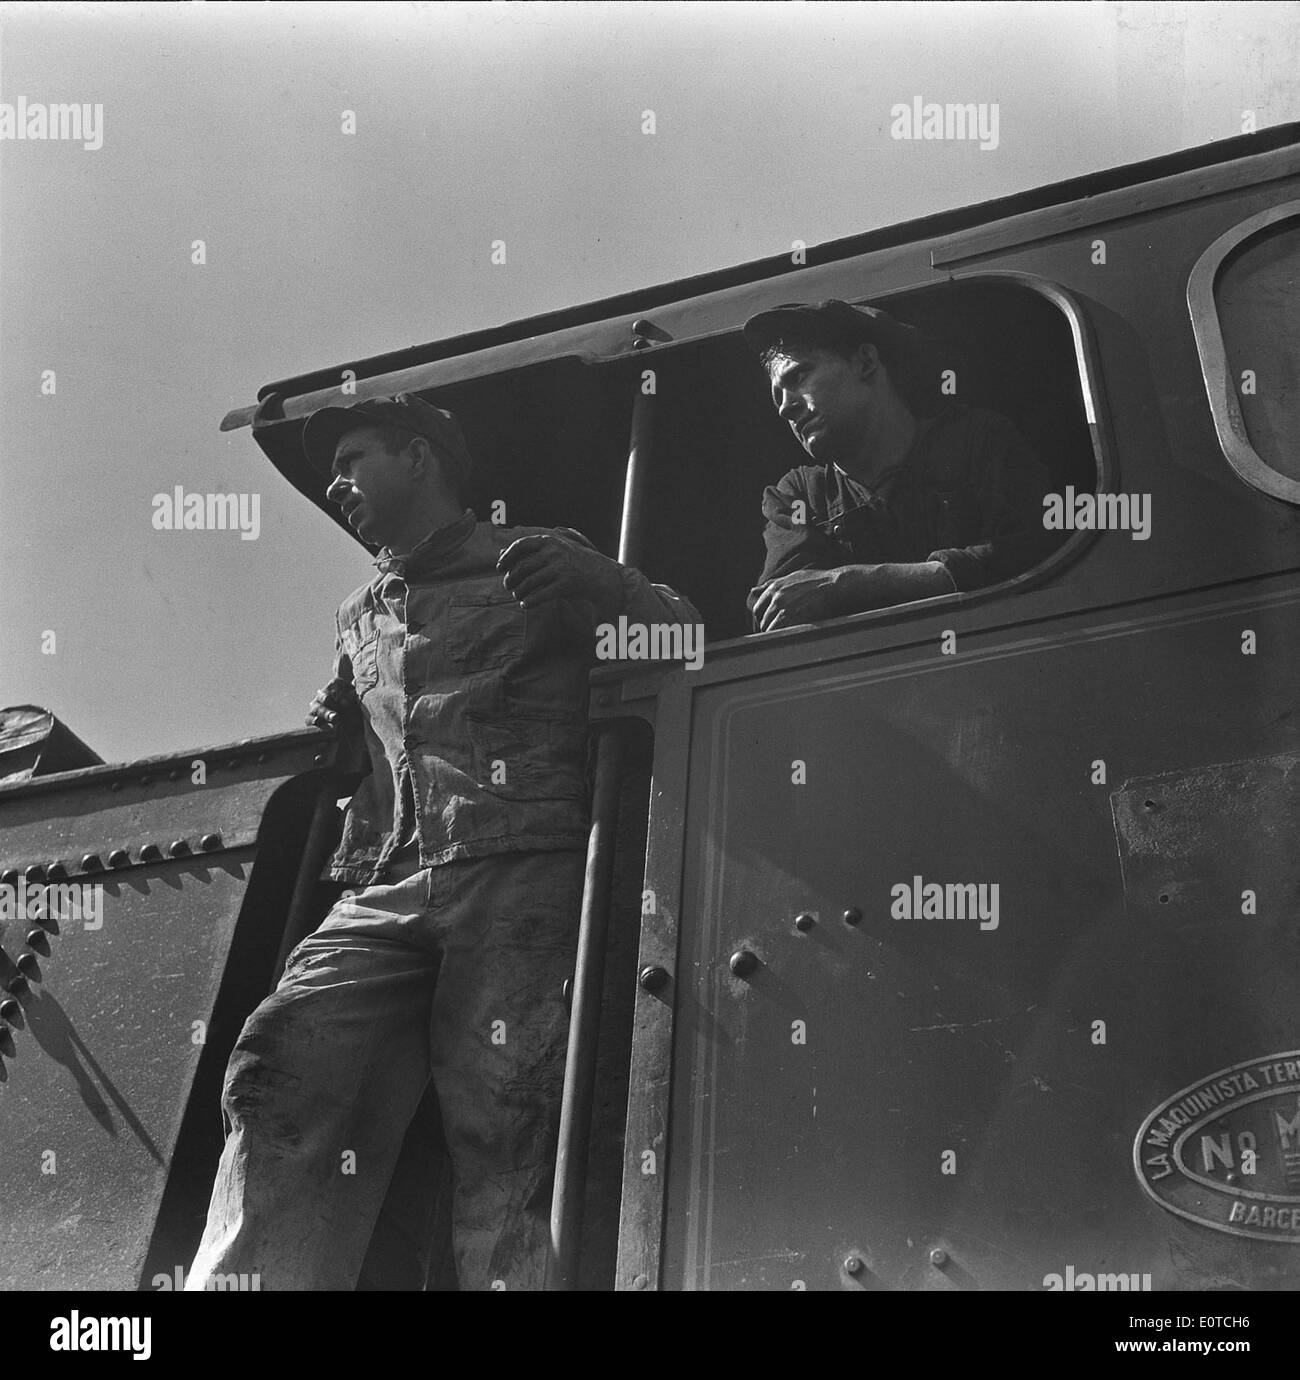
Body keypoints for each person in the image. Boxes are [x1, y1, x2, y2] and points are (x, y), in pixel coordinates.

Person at [185, 393, 701, 1291]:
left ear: (418, 459)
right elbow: (378, 723)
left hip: (518, 860)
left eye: (352, 460)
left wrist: (604, 590)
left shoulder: (536, 555)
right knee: (278, 1067)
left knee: (507, 1121)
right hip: (385, 881)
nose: (338, 484)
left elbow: (682, 641)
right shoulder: (358, 612)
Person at [742, 299, 1059, 632]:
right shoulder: (799, 496)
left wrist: (848, 584)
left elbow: (1028, 554)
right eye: (778, 396)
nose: (785, 408)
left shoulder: (979, 440)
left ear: (865, 361)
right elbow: (778, 609)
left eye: (799, 376)